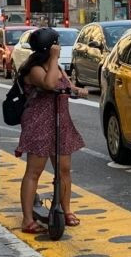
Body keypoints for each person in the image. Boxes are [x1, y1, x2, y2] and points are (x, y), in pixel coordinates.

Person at [14, 28, 89, 235]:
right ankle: (28, 220)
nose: (59, 47)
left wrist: (78, 90)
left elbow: (68, 85)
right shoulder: (34, 69)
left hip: (60, 123)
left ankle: (66, 211)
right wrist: (54, 58)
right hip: (39, 124)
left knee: (63, 170)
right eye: (56, 44)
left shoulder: (57, 67)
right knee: (34, 172)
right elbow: (49, 84)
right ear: (50, 47)